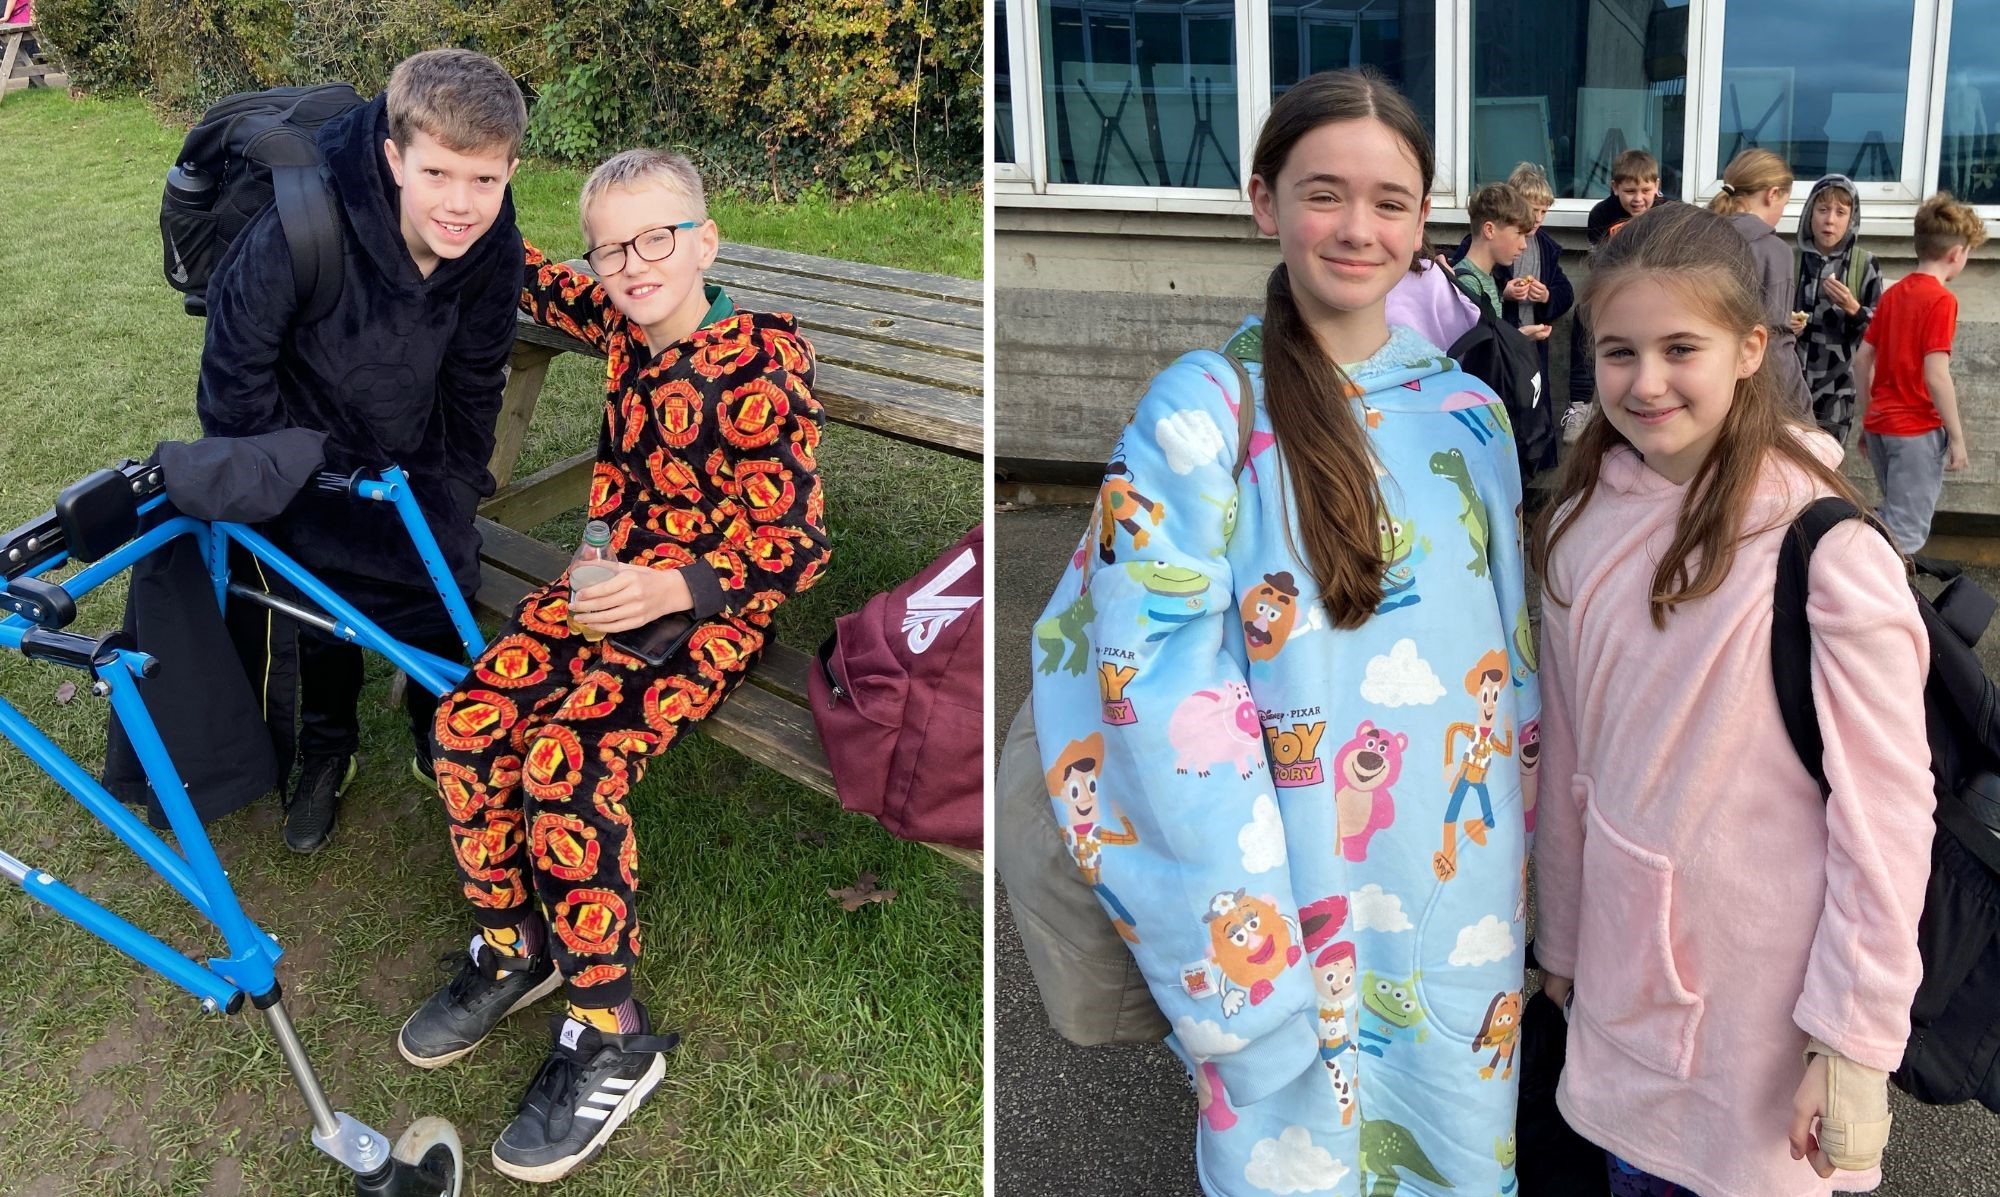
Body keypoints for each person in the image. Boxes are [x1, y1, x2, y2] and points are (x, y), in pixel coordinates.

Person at [1028, 67, 1535, 1196]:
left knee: (1455, 1145)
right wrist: (1240, 947)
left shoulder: (1469, 414)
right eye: (1323, 193)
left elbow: (1513, 663)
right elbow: (1140, 690)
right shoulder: (1200, 412)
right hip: (1284, 903)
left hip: (1454, 886)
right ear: (1262, 202)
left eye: (1390, 201)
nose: (1357, 228)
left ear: (1422, 221)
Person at [398, 148, 828, 1183]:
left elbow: (801, 543)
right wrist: (451, 196)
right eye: (612, 249)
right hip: (593, 593)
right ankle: (517, 948)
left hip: (706, 612)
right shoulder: (625, 323)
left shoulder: (759, 364)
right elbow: (529, 270)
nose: (633, 265)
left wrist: (673, 589)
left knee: (565, 765)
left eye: (656, 240)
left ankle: (609, 1027)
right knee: (461, 729)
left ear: (704, 243)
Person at [1532, 202, 1934, 1197]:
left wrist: (1852, 1042)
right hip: (1625, 1002)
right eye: (1618, 351)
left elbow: (1884, 818)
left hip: (1772, 1025)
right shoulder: (1578, 527)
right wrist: (1565, 940)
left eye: (1681, 347)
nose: (1646, 380)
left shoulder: (1824, 550)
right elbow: (1573, 766)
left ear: (1750, 347)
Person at [195, 49, 527, 853]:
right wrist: (286, 485)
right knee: (318, 613)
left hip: (411, 458)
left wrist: (450, 489)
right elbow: (232, 382)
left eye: (486, 180)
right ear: (393, 154)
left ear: (512, 167)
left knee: (439, 578)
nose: (462, 204)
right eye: (439, 174)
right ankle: (325, 748)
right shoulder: (297, 227)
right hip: (298, 458)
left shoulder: (495, 246)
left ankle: (434, 729)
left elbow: (477, 382)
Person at [1852, 191, 1989, 553]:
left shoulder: (1893, 295)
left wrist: (1869, 419)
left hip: (1882, 427)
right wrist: (1957, 439)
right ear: (1956, 254)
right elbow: (1936, 374)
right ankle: (1890, 603)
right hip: (1916, 432)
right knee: (1906, 534)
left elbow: (1862, 359)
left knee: (1890, 521)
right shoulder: (1942, 300)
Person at [1453, 162, 1574, 474]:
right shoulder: (1474, 267)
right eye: (1529, 214)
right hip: (1496, 378)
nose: (1534, 224)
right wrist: (1508, 306)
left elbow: (1565, 293)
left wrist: (1545, 298)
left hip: (1523, 363)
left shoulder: (1544, 249)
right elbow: (1475, 343)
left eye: (1542, 213)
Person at [1565, 149, 1670, 443]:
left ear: (1656, 186)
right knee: (1583, 317)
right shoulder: (1602, 214)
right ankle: (1581, 404)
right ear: (1614, 188)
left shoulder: (1668, 212)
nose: (1638, 199)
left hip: (1659, 293)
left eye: (1645, 190)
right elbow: (1598, 266)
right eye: (1629, 191)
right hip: (1615, 289)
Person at [1709, 147, 1812, 418]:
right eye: (1785, 204)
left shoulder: (1698, 238)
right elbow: (1776, 344)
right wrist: (1803, 416)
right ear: (1772, 194)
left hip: (1706, 389)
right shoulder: (1773, 250)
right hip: (1755, 400)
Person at [1793, 174, 1884, 445]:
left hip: (1838, 392)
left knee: (1826, 471)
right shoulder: (1791, 260)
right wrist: (1786, 327)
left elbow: (1881, 330)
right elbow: (1765, 320)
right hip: (1790, 388)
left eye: (1840, 212)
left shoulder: (1863, 264)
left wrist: (1853, 308)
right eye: (1822, 210)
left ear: (1851, 218)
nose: (1829, 220)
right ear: (1810, 214)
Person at [1452, 181, 1533, 321]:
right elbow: (1472, 342)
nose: (1524, 245)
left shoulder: (1488, 277)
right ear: (1489, 230)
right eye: (1519, 233)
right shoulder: (1467, 284)